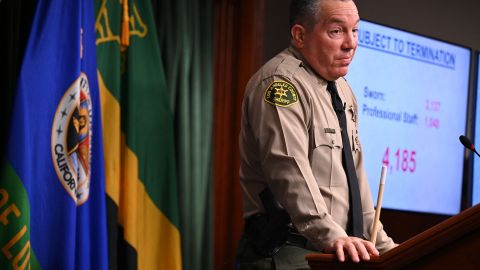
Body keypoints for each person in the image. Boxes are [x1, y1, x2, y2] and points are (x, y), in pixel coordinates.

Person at [236, 0, 396, 269]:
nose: (350, 43)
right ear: (300, 35)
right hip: (288, 253)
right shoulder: (280, 84)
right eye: (336, 31)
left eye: (355, 31)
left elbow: (356, 181)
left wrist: (386, 248)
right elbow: (289, 170)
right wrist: (332, 236)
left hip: (337, 253)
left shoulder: (343, 90)